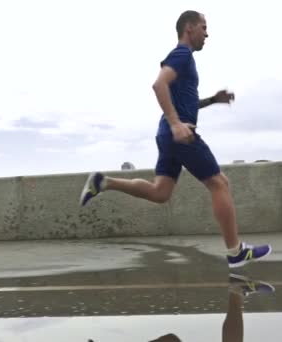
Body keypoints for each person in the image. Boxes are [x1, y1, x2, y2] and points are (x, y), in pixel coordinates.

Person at [79, 10, 271, 268]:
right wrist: (176, 124)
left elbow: (185, 102)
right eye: (204, 27)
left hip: (167, 134)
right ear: (189, 28)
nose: (207, 33)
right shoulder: (182, 54)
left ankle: (104, 182)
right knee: (220, 183)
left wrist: (214, 100)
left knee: (160, 192)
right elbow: (159, 85)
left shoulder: (185, 60)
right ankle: (235, 251)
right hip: (178, 134)